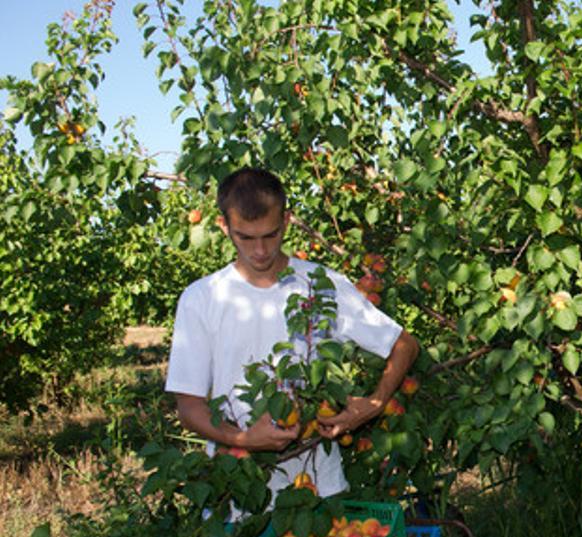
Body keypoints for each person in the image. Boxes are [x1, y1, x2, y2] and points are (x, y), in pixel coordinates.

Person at [165, 167, 419, 502]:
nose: (260, 250)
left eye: (270, 235)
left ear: (286, 221)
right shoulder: (202, 298)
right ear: (223, 226)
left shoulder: (320, 285)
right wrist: (244, 439)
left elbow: (404, 345)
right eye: (245, 237)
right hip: (239, 494)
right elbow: (189, 407)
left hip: (320, 487)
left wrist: (372, 404)